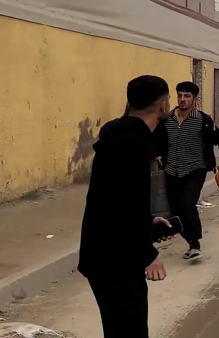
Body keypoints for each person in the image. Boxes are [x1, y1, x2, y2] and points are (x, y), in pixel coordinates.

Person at [78, 75, 174, 338]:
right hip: (114, 260)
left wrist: (148, 221)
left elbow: (118, 198)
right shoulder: (131, 144)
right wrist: (148, 254)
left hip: (110, 255)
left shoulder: (122, 138)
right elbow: (115, 209)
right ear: (163, 106)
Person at [157, 81, 219, 262]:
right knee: (176, 209)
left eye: (187, 96)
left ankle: (195, 244)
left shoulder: (203, 120)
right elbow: (156, 140)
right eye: (180, 96)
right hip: (171, 169)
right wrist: (157, 154)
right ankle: (189, 240)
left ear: (194, 99)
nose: (182, 99)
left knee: (187, 204)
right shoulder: (167, 120)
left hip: (195, 169)